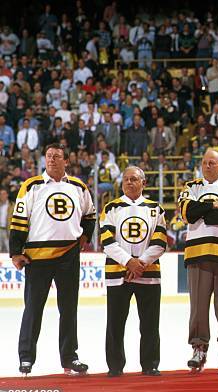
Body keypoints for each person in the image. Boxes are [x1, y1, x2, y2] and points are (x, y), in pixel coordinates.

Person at [10, 143, 96, 376]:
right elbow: (18, 220)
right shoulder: (32, 186)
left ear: (66, 161)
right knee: (33, 308)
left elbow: (90, 214)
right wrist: (16, 252)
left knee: (69, 309)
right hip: (37, 257)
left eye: (57, 156)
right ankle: (26, 358)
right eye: (49, 156)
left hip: (69, 255)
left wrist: (85, 236)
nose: (52, 160)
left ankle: (70, 357)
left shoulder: (78, 186)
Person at [178, 148, 218, 373]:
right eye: (205, 162)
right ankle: (199, 348)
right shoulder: (191, 186)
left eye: (212, 163)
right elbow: (186, 212)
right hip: (197, 254)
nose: (207, 166)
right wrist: (212, 207)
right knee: (198, 307)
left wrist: (201, 211)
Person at [100, 166, 167, 377]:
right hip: (117, 274)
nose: (129, 182)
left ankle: (150, 364)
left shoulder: (156, 209)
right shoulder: (111, 208)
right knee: (115, 323)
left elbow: (160, 242)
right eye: (126, 179)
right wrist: (130, 262)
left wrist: (141, 263)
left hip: (149, 275)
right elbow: (107, 242)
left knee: (150, 323)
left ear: (143, 183)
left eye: (134, 179)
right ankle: (115, 366)